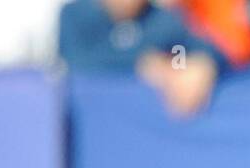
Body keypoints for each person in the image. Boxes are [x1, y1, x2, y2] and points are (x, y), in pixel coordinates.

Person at [59, 0, 223, 117]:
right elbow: (77, 63)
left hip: (149, 139)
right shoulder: (75, 15)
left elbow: (195, 49)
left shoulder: (163, 20)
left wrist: (200, 65)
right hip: (92, 130)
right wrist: (140, 64)